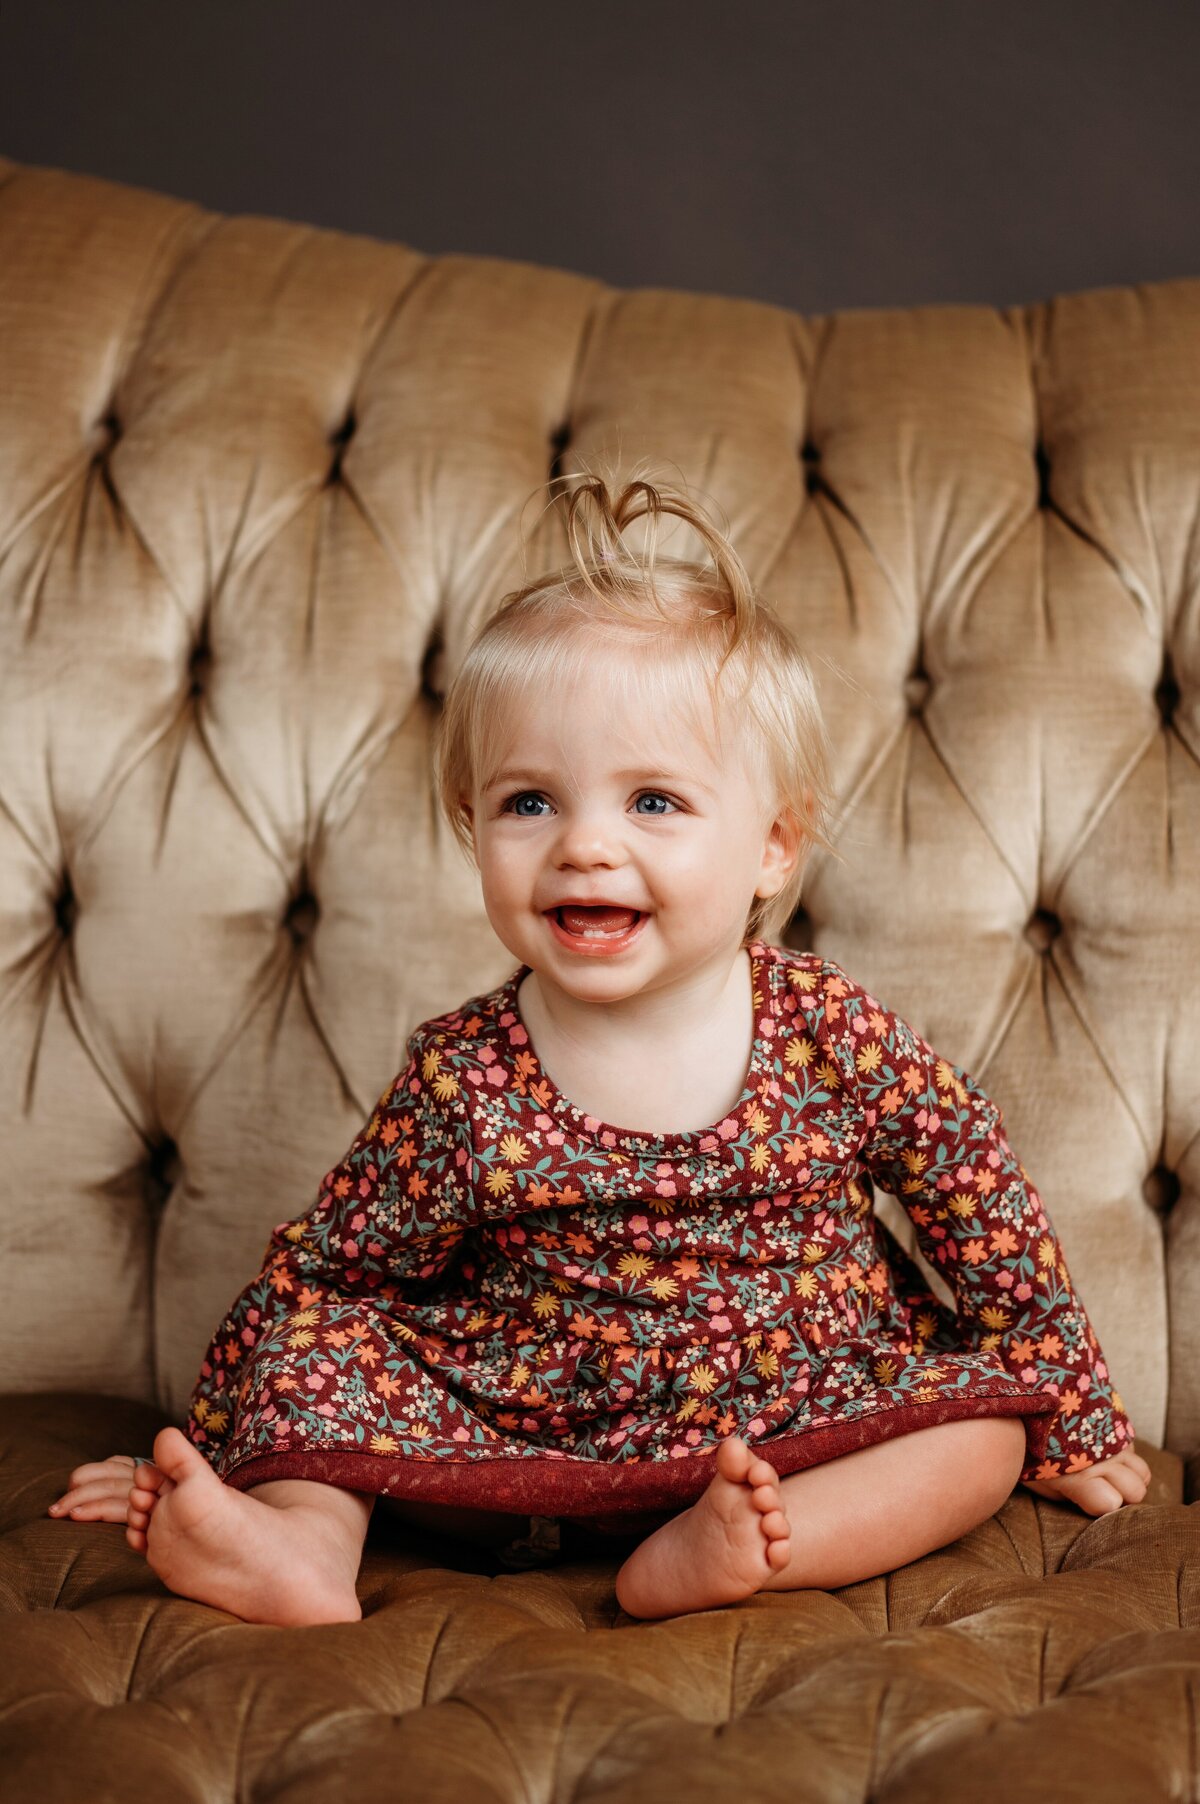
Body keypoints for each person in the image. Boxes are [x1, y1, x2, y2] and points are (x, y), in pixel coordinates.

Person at [48, 469, 1150, 1626]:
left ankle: (749, 1547)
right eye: (530, 802)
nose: (583, 847)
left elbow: (980, 1200)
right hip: (517, 1429)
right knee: (313, 1333)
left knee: (982, 1430)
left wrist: (1068, 1407)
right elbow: (337, 1267)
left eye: (654, 803)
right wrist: (236, 1444)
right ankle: (297, 1548)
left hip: (798, 1407)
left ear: (773, 844)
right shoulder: (465, 1071)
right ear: (473, 825)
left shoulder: (831, 1033)